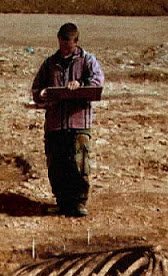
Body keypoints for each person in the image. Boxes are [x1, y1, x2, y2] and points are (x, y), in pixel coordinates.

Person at [31, 23, 104, 217]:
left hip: (78, 123)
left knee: (79, 164)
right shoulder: (50, 63)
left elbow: (97, 82)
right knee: (57, 165)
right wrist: (43, 93)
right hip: (56, 124)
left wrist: (80, 85)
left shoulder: (88, 60)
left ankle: (79, 203)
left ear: (76, 41)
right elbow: (37, 88)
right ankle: (62, 202)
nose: (65, 48)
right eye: (62, 43)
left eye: (68, 44)